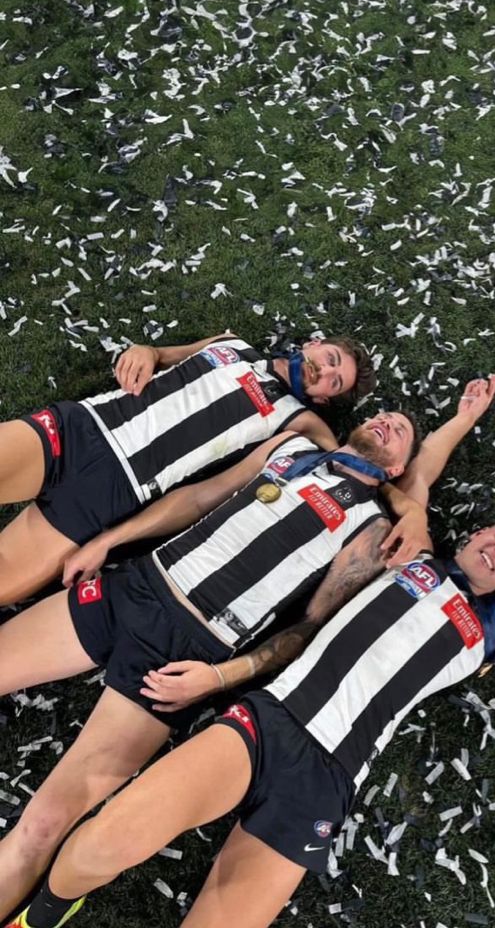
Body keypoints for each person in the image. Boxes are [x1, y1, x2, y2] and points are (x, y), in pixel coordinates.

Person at [9, 437, 495, 928]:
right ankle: (40, 918)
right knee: (98, 846)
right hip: (268, 720)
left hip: (331, 776)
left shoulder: (494, 635)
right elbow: (414, 479)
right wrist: (455, 439)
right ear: (475, 534)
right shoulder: (408, 551)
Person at [0, 384, 452, 921]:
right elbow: (199, 497)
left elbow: (308, 631)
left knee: (46, 822)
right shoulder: (292, 447)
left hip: (186, 651)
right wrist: (108, 541)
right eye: (384, 414)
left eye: (400, 432)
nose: (386, 423)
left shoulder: (378, 528)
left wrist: (216, 680)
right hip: (135, 586)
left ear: (401, 467)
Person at [0, 330, 375, 603]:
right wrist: (146, 351)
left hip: (115, 491)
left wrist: (407, 510)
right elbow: (162, 355)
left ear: (325, 400)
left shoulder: (301, 422)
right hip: (82, 428)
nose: (324, 372)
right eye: (331, 359)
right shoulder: (233, 344)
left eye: (334, 382)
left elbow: (369, 464)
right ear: (314, 344)